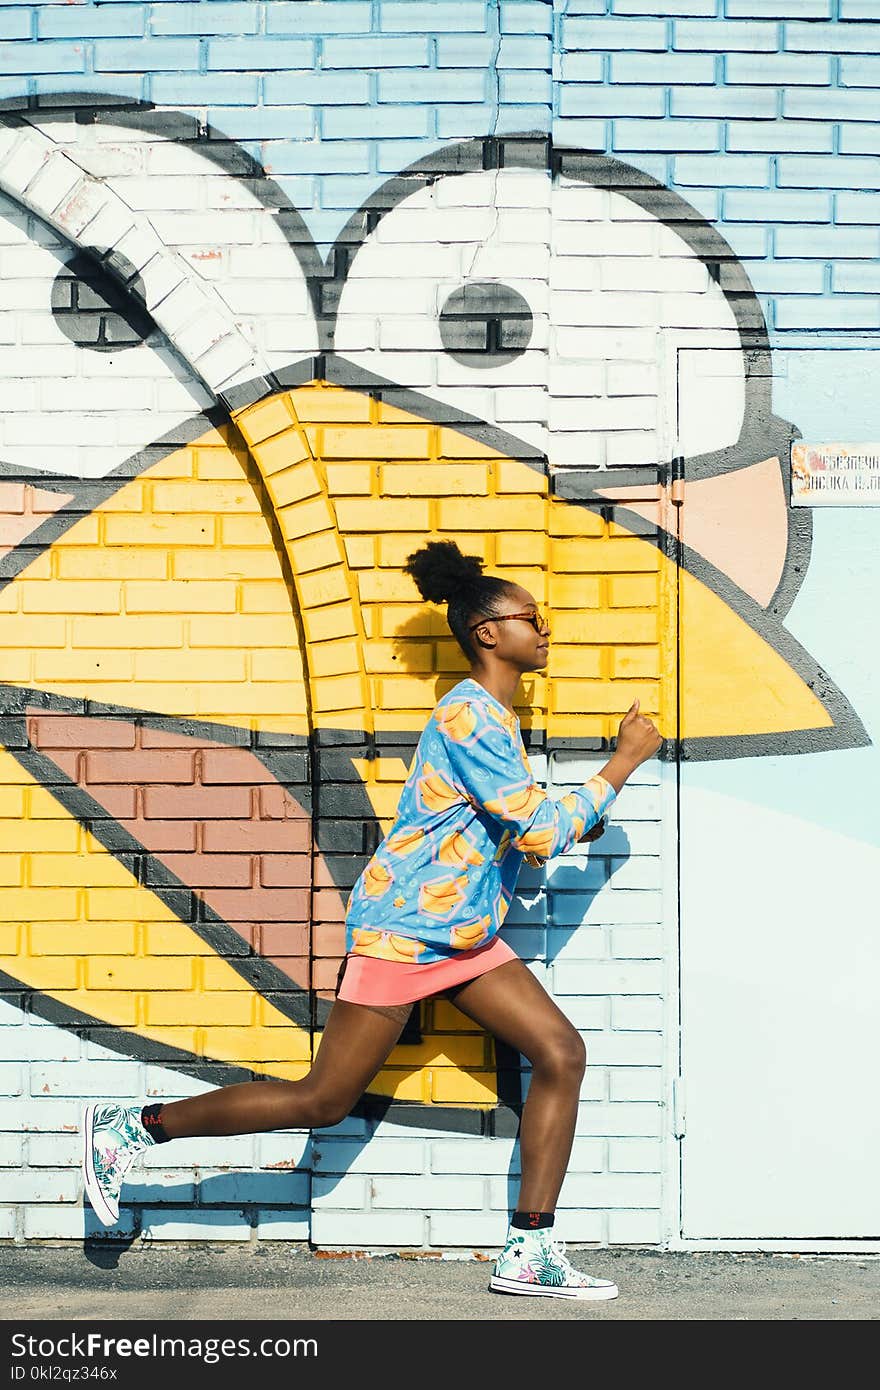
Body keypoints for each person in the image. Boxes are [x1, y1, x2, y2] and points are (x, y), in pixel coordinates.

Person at [82, 540, 662, 1300]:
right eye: (534, 618)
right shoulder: (470, 715)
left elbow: (517, 832)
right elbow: (539, 830)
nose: (546, 630)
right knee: (323, 1100)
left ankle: (528, 1252)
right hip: (406, 934)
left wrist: (555, 826)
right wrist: (621, 764)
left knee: (560, 1052)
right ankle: (134, 1126)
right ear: (489, 632)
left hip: (461, 935)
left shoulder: (494, 718)